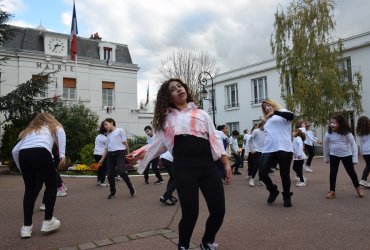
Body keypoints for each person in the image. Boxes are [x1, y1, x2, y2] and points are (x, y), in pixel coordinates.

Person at [127, 78, 232, 250]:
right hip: (184, 169)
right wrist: (137, 155)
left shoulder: (201, 114)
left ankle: (207, 242)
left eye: (180, 86)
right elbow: (156, 146)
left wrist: (226, 163)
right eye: (173, 89)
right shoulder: (166, 120)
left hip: (207, 167)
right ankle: (183, 245)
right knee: (190, 214)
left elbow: (215, 139)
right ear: (168, 97)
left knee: (218, 211)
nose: (178, 89)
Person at [12, 113, 66, 238]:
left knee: (30, 189)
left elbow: (14, 151)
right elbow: (61, 132)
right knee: (51, 185)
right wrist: (62, 155)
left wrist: (22, 169)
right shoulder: (53, 125)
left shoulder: (30, 131)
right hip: (41, 152)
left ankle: (26, 227)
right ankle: (48, 222)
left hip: (23, 154)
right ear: (49, 119)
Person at [259, 99, 295, 207]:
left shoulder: (282, 112)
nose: (266, 108)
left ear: (273, 104)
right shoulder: (267, 120)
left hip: (284, 147)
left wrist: (275, 112)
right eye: (264, 107)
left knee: (284, 174)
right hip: (269, 148)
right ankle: (273, 190)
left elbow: (291, 116)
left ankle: (287, 196)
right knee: (262, 173)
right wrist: (265, 120)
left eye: (267, 105)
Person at [323, 114, 364, 199]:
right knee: (333, 173)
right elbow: (325, 144)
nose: (332, 124)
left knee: (351, 172)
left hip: (346, 155)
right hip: (334, 155)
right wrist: (326, 157)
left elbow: (353, 145)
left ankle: (358, 189)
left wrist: (355, 158)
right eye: (331, 123)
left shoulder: (347, 133)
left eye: (334, 123)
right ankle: (332, 191)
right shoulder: (329, 133)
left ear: (340, 124)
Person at [98, 118, 136, 199]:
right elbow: (106, 148)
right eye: (104, 125)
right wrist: (102, 159)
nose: (105, 126)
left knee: (121, 171)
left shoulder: (120, 130)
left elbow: (125, 143)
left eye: (106, 124)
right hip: (111, 154)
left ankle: (131, 187)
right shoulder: (108, 135)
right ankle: (113, 192)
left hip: (120, 153)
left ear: (111, 123)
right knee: (110, 174)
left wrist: (128, 153)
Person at [248, 120, 265, 187]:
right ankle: (252, 179)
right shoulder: (256, 131)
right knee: (257, 165)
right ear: (262, 125)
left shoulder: (266, 131)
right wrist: (252, 149)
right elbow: (250, 141)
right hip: (256, 150)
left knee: (262, 166)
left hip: (264, 151)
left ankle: (260, 180)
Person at [356, 116, 370, 188]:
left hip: (365, 152)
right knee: (368, 166)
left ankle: (363, 179)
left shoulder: (361, 132)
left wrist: (362, 152)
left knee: (368, 165)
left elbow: (361, 143)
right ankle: (363, 179)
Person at [94, 121, 108, 187]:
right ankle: (102, 182)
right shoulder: (106, 138)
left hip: (96, 154)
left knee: (100, 167)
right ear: (105, 132)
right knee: (104, 168)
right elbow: (107, 148)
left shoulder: (98, 136)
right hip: (101, 154)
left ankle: (99, 180)